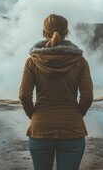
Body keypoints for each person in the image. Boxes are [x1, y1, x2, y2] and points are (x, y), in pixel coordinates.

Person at [19, 14, 94, 170]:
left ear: (44, 31)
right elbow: (87, 96)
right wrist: (76, 114)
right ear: (66, 31)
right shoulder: (80, 61)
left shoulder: (33, 61)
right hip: (73, 128)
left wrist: (33, 115)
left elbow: (24, 96)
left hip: (40, 128)